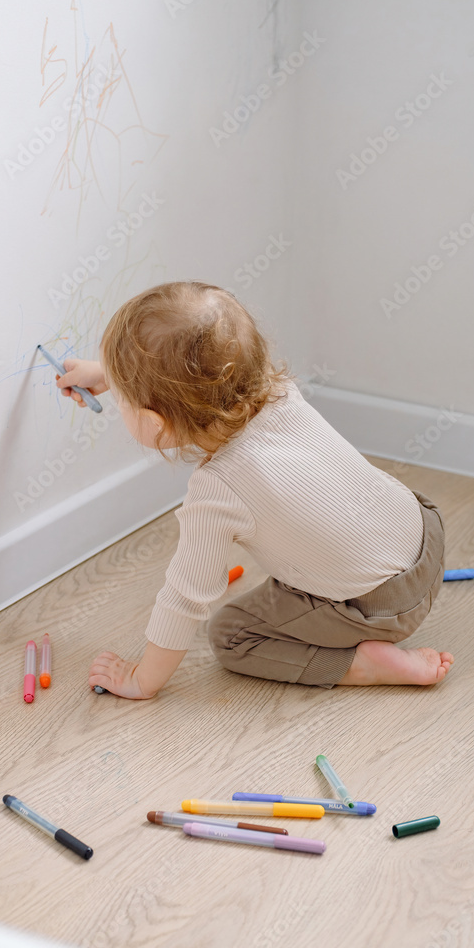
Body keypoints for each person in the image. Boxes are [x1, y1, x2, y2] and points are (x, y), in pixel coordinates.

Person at [56, 281, 453, 698]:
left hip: (382, 609)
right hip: (428, 539)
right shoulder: (280, 393)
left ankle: (362, 665)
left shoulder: (216, 491)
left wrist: (142, 679)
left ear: (156, 424)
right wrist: (110, 374)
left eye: (123, 400)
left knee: (230, 634)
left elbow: (184, 597)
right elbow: (196, 376)